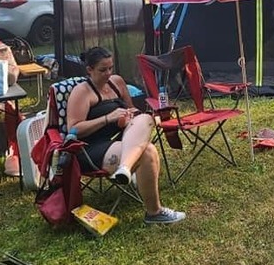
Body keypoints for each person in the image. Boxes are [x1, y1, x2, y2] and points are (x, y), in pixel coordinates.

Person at [65, 46, 185, 225]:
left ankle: (125, 169)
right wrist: (107, 118)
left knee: (145, 118)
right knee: (148, 152)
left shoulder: (117, 82)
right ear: (89, 69)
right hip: (90, 148)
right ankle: (154, 213)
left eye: (110, 68)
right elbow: (73, 129)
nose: (108, 73)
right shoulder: (82, 92)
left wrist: (128, 117)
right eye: (102, 70)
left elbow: (132, 110)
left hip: (121, 138)